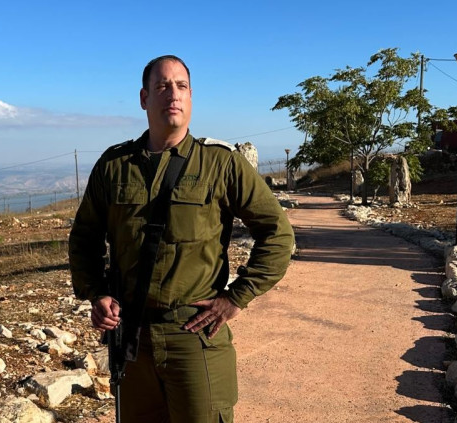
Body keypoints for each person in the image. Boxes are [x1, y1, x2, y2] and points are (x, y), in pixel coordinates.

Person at [68, 55, 294, 423]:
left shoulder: (221, 163)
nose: (173, 94)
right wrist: (97, 293)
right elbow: (84, 238)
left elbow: (278, 234)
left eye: (181, 86)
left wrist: (237, 297)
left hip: (194, 337)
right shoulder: (114, 165)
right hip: (132, 339)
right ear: (144, 98)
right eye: (162, 86)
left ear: (190, 97)